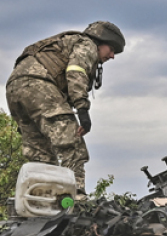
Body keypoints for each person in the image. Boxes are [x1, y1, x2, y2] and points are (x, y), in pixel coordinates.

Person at [5, 21, 126, 193]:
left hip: (15, 89)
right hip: (39, 86)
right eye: (111, 49)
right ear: (101, 41)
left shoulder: (66, 44)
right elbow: (76, 72)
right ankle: (76, 200)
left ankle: (42, 203)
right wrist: (82, 110)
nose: (112, 56)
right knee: (72, 144)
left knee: (40, 155)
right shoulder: (87, 44)